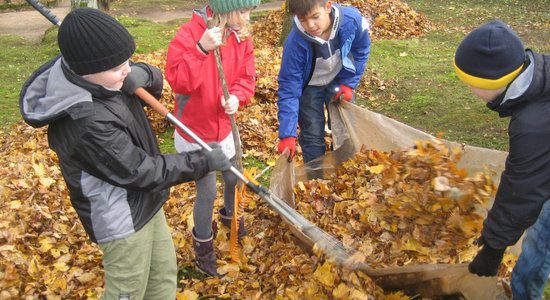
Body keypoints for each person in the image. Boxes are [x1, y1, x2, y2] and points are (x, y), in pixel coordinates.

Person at [19, 8, 231, 299]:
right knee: (128, 290)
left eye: (126, 62)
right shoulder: (85, 121)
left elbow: (151, 77)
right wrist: (202, 161)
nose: (126, 70)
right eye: (118, 68)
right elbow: (139, 170)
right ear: (86, 72)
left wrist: (142, 74)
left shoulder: (104, 77)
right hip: (120, 218)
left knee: (162, 278)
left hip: (146, 202)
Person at [454, 20, 550, 299]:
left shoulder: (532, 124)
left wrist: (494, 249)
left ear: (491, 83)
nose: (471, 92)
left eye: (472, 85)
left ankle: (524, 294)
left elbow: (523, 190)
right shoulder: (540, 74)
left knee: (540, 240)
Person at [165, 0, 258, 277]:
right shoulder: (189, 35)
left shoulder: (240, 34)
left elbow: (246, 76)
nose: (246, 17)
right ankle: (203, 249)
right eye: (242, 10)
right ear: (224, 8)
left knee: (233, 176)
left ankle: (232, 221)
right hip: (196, 131)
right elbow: (179, 81)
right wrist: (201, 49)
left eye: (249, 11)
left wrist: (237, 97)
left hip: (225, 126)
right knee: (207, 191)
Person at [276, 0, 371, 163]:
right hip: (309, 87)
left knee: (345, 127)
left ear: (327, 7)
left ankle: (347, 171)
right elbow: (289, 89)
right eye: (303, 19)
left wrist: (349, 83)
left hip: (337, 80)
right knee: (312, 133)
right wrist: (287, 134)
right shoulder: (294, 44)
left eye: (315, 17)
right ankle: (316, 179)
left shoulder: (352, 20)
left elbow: (361, 50)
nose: (310, 25)